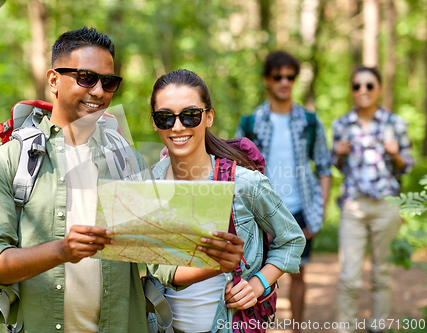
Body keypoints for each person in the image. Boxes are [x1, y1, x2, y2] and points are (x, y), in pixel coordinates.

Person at [0, 28, 244, 333]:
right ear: (53, 80)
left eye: (109, 82)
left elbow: (160, 263)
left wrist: (215, 262)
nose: (99, 91)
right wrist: (61, 251)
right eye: (86, 77)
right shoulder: (12, 160)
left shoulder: (129, 162)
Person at [147, 69, 306, 333]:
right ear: (154, 122)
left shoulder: (244, 183)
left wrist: (257, 285)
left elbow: (291, 239)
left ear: (209, 117)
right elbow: (159, 268)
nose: (177, 127)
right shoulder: (148, 185)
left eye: (190, 115)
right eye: (165, 117)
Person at [235, 51, 332, 332]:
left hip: (301, 209)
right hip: (262, 212)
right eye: (278, 76)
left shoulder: (310, 122)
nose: (285, 82)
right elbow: (238, 169)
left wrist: (318, 212)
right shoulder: (251, 123)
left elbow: (325, 167)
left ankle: (297, 329)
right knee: (257, 275)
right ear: (267, 79)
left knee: (299, 274)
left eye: (290, 76)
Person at [332, 66, 414, 333]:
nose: (363, 91)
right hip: (353, 205)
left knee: (382, 275)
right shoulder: (341, 125)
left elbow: (407, 167)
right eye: (357, 86)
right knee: (349, 278)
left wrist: (396, 154)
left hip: (386, 207)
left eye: (369, 85)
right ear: (352, 90)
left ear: (379, 89)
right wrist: (339, 154)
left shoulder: (395, 123)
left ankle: (377, 328)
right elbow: (338, 167)